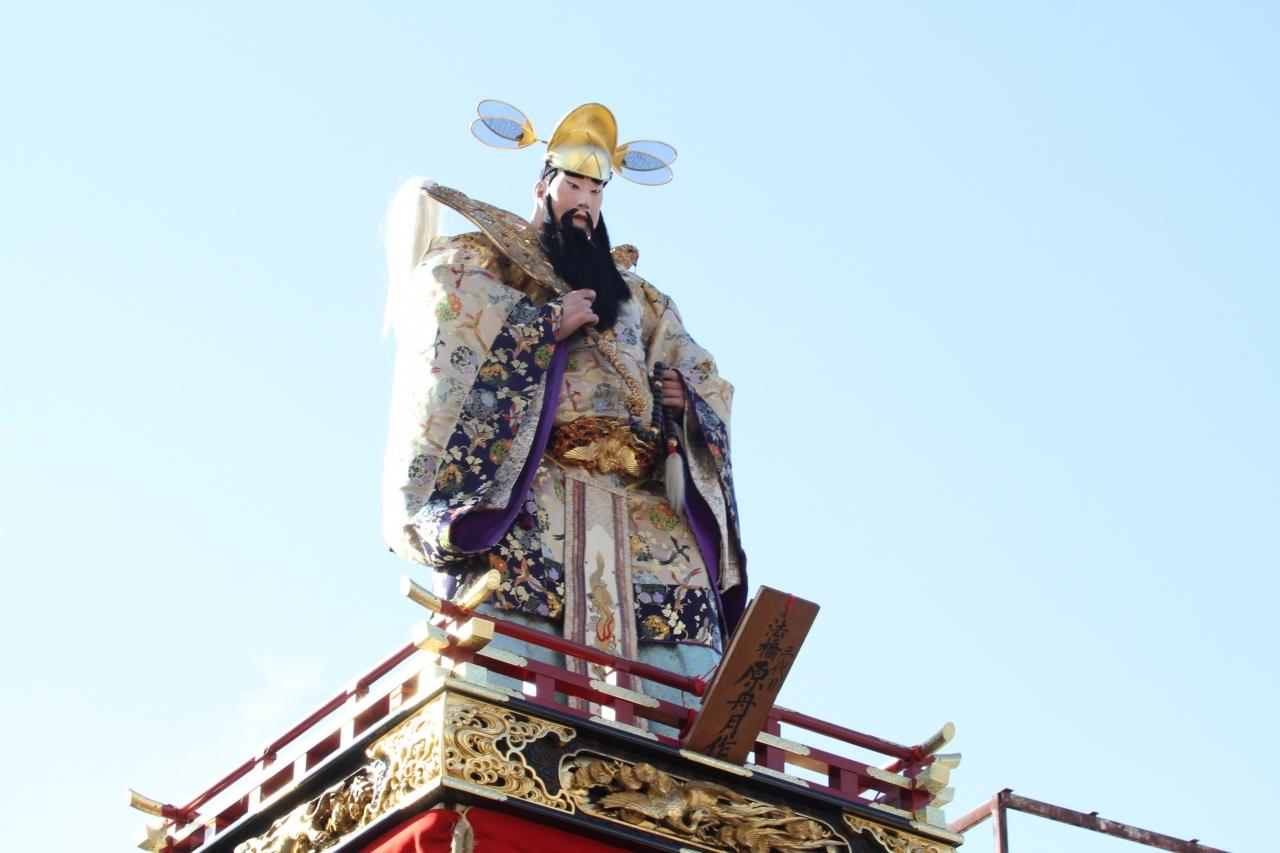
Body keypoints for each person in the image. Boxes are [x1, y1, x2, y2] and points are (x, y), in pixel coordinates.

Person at [381, 103, 746, 700]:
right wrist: (539, 329)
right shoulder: (487, 258)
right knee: (509, 614)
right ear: (542, 186)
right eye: (573, 185)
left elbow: (699, 369)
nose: (585, 202)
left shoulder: (641, 298)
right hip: (536, 480)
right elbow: (450, 315)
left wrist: (688, 401)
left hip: (642, 499)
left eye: (596, 192)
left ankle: (674, 721)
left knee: (683, 625)